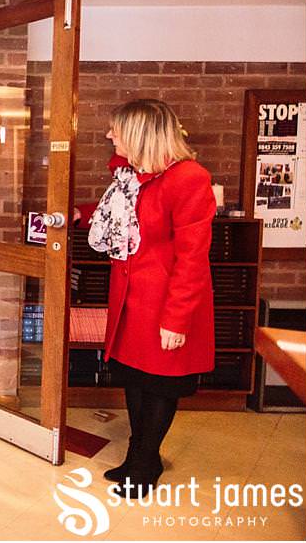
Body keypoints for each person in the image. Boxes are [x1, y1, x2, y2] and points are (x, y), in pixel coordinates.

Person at [75, 99, 215, 499]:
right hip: (132, 302)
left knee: (160, 385)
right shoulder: (131, 176)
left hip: (165, 305)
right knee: (135, 380)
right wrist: (79, 214)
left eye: (115, 129)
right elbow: (120, 215)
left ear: (139, 133)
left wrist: (177, 320)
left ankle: (144, 463)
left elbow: (192, 257)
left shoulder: (188, 178)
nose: (108, 136)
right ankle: (141, 456)